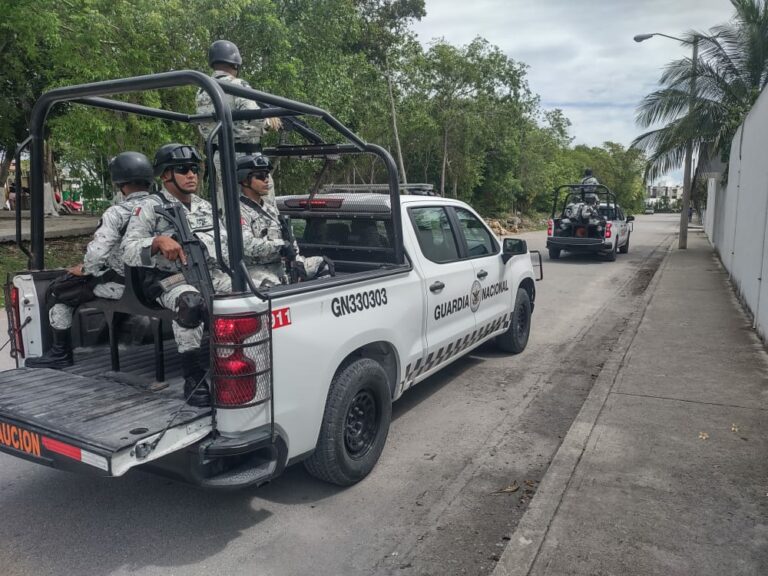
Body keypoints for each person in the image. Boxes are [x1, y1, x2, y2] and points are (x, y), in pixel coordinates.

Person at [121, 144, 231, 407]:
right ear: (165, 176)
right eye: (183, 170)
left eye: (195, 169)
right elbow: (127, 250)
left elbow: (225, 243)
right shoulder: (149, 206)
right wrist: (157, 242)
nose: (191, 174)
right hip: (167, 279)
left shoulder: (205, 207)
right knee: (191, 303)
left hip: (211, 272)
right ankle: (193, 377)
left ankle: (237, 362)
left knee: (251, 295)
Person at [26, 152, 154, 369]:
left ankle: (60, 353)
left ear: (120, 184)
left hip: (126, 287)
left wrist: (84, 268)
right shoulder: (167, 207)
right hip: (156, 283)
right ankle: (121, 334)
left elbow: (97, 257)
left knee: (58, 291)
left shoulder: (117, 212)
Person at [195, 40, 282, 215]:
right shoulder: (237, 85)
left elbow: (203, 127)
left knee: (230, 206)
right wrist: (270, 123)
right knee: (263, 206)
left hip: (220, 156)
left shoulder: (202, 90)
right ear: (235, 63)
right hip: (248, 158)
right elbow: (253, 118)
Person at [237, 154, 334, 288]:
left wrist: (296, 259)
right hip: (257, 269)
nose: (266, 180)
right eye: (260, 176)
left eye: (266, 175)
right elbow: (247, 245)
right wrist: (280, 246)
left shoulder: (271, 209)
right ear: (244, 180)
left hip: (282, 265)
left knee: (323, 265)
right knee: (273, 286)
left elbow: (288, 239)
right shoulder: (237, 212)